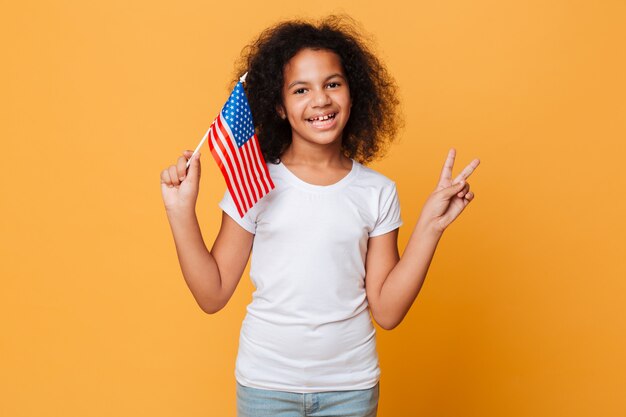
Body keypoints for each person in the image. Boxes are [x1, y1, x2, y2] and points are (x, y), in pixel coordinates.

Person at [160, 15, 480, 417]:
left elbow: (388, 311)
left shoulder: (377, 192)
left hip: (350, 388)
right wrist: (180, 212)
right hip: (266, 385)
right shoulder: (255, 183)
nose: (320, 100)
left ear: (353, 91)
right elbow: (212, 293)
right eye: (300, 89)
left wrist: (431, 226)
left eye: (332, 84)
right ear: (278, 105)